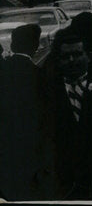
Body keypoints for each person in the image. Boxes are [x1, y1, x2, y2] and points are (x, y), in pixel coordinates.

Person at [41, 26, 92, 197]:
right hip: (63, 181)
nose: (72, 60)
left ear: (89, 56)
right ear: (57, 60)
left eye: (78, 54)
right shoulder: (46, 91)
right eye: (65, 56)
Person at [0, 23, 56, 199]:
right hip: (30, 151)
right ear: (35, 46)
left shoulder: (3, 69)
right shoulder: (38, 75)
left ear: (13, 45)